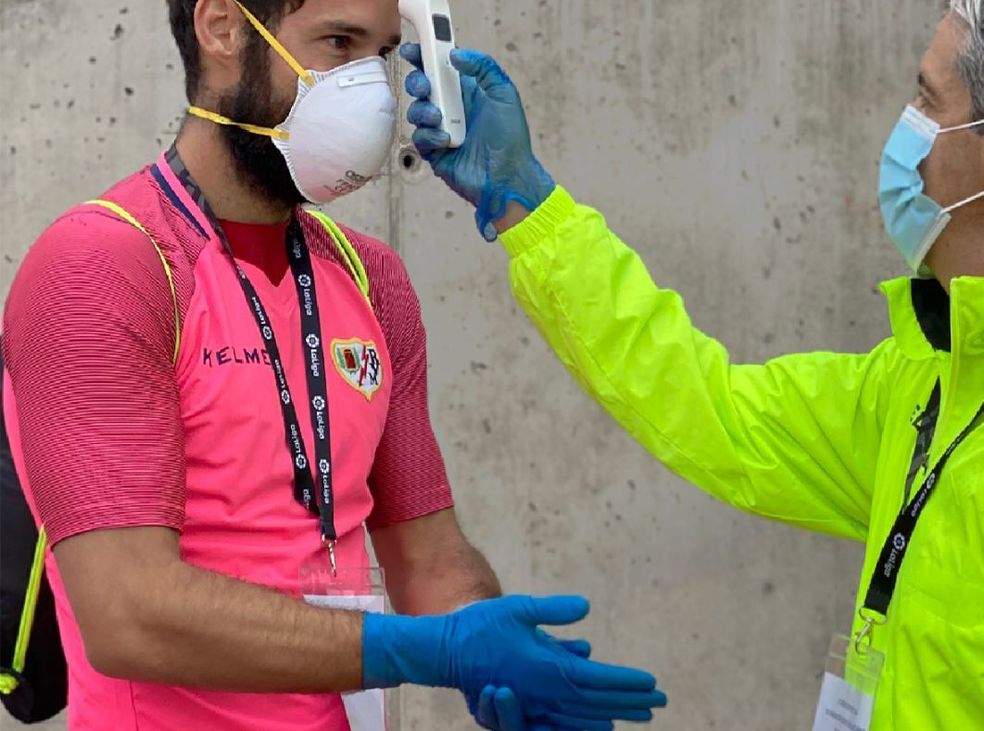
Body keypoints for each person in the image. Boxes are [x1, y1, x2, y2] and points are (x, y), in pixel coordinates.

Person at [402, 0, 984, 727]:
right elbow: (720, 414)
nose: (907, 129)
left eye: (929, 100)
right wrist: (531, 208)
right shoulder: (955, 373)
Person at [1, 1, 667, 729]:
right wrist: (427, 649)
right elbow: (128, 613)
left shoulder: (370, 277)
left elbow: (429, 555)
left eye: (378, 55)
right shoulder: (103, 267)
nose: (370, 92)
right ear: (222, 27)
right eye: (338, 43)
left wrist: (498, 645)